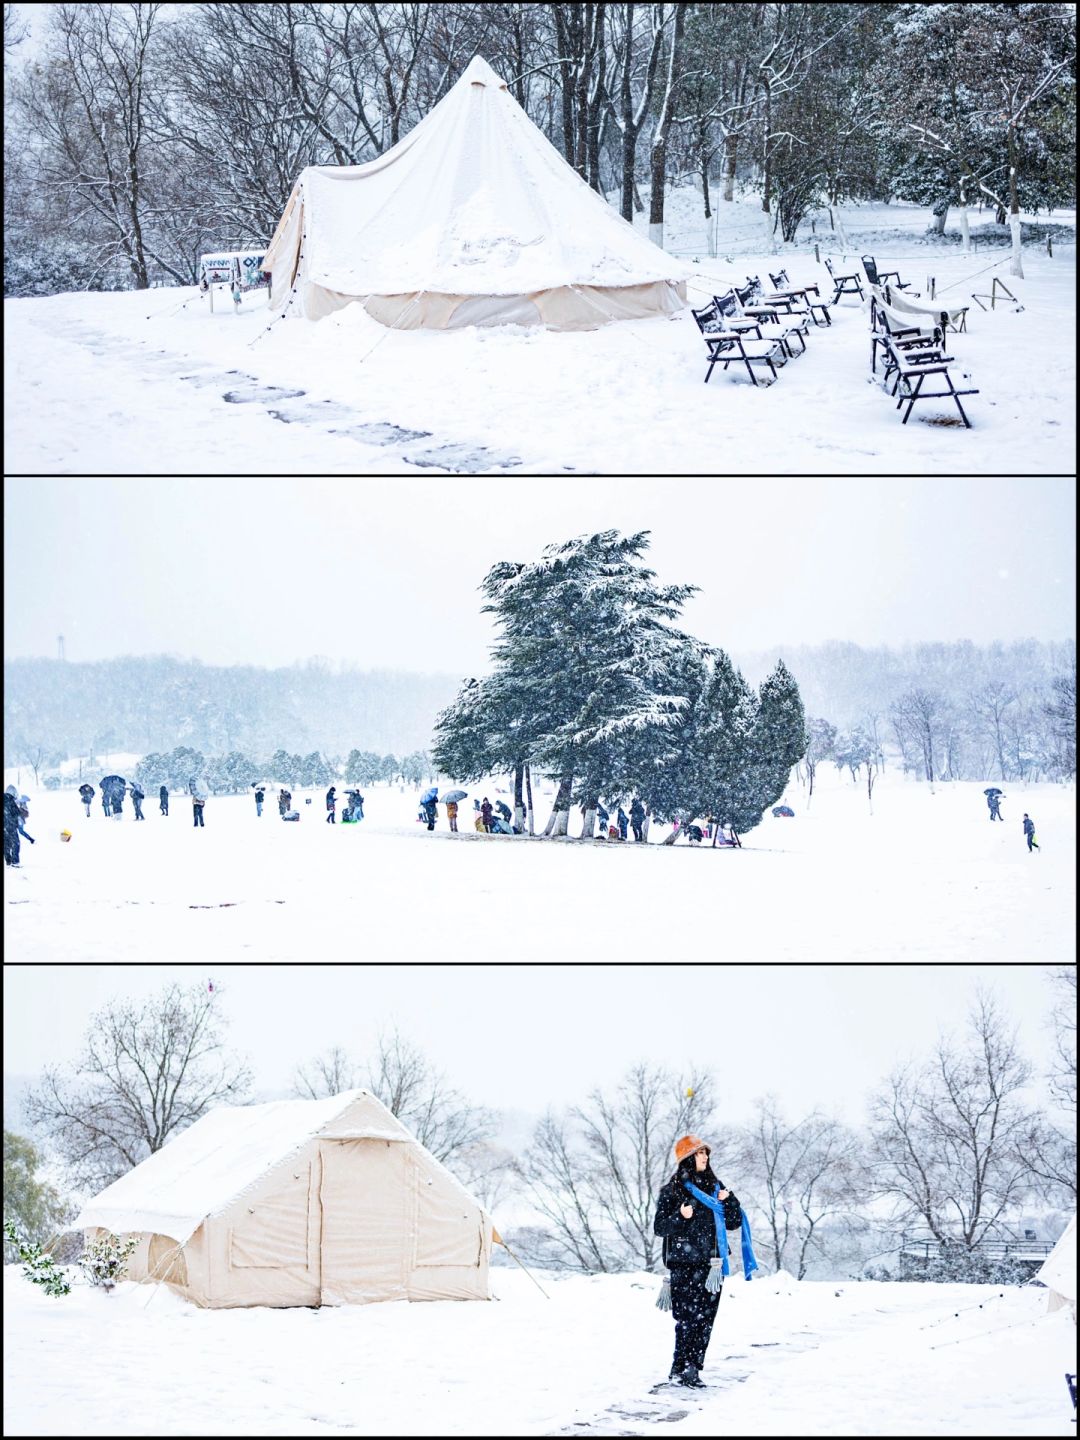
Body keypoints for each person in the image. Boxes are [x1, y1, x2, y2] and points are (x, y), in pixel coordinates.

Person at [653, 1136, 743, 1389]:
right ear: (687, 1159)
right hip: (682, 1265)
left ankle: (693, 1367)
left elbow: (733, 1222)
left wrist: (730, 1200)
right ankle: (679, 1365)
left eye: (706, 1153)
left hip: (712, 1266)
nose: (705, 1157)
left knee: (705, 1320)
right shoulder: (672, 1191)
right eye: (699, 1153)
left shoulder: (716, 1188)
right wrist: (681, 1216)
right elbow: (660, 1227)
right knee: (685, 1318)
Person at [3, 785, 21, 867]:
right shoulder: (10, 800)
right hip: (10, 826)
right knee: (15, 843)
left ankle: (8, 861)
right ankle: (15, 861)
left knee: (6, 844)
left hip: (5, 827)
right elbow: (17, 813)